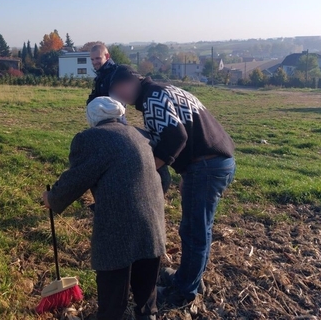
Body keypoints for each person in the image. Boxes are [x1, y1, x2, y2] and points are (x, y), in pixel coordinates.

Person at [109, 65, 236, 306]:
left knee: (194, 231)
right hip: (214, 162)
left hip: (206, 165)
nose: (119, 97)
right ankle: (190, 278)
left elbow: (176, 137)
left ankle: (184, 292)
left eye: (118, 90)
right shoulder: (163, 89)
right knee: (198, 228)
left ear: (131, 81)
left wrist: (149, 168)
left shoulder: (152, 98)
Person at [42, 97, 166, 320]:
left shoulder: (91, 138)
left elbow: (76, 178)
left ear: (92, 119)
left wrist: (52, 198)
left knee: (113, 292)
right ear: (119, 115)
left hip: (118, 226)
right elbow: (162, 178)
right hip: (153, 220)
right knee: (146, 284)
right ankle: (148, 315)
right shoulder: (141, 135)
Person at [86, 43, 172, 194]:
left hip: (113, 120)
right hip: (105, 120)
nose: (94, 62)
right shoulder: (102, 75)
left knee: (115, 160)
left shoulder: (116, 73)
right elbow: (95, 97)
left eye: (97, 58)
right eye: (92, 59)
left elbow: (114, 102)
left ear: (107, 56)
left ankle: (146, 189)